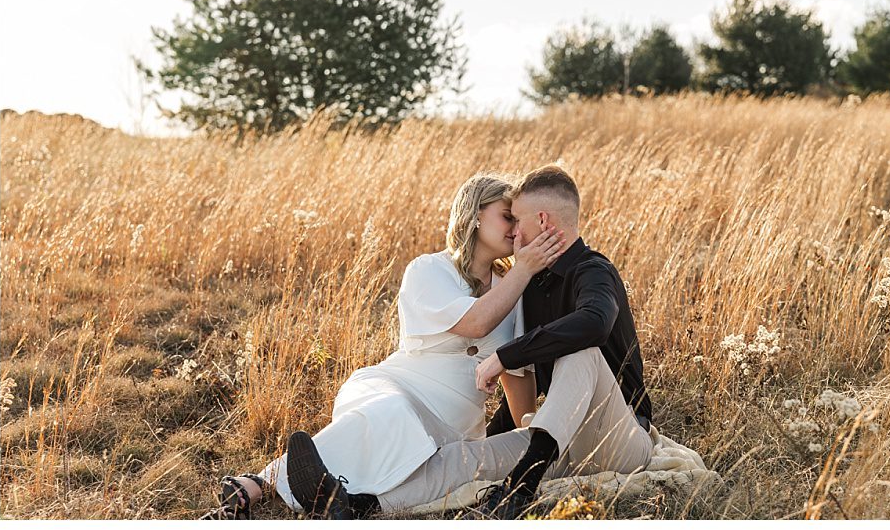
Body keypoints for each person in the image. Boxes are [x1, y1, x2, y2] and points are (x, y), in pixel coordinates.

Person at [200, 172, 568, 519]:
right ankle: (260, 484)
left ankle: (334, 498)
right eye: (507, 217)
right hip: (399, 387)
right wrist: (524, 269)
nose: (517, 229)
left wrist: (528, 436)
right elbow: (475, 323)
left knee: (435, 461)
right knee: (390, 415)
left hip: (455, 421)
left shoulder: (515, 288)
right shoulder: (428, 271)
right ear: (474, 215)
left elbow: (516, 372)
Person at [370, 164, 654, 519]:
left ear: (543, 220)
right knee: (466, 455)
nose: (514, 232)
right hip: (556, 440)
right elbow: (524, 386)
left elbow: (594, 324)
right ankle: (359, 505)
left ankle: (520, 489)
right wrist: (494, 437)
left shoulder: (593, 271)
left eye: (516, 220)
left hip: (620, 438)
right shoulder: (529, 287)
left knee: (581, 353)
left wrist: (505, 355)